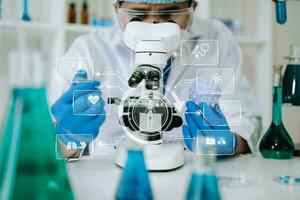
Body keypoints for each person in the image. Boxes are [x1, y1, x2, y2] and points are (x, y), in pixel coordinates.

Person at [49, 0, 262, 158]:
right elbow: (52, 147)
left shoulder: (216, 37)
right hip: (111, 174)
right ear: (117, 11)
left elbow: (247, 123)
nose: (153, 25)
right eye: (138, 15)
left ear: (192, 10)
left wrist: (230, 142)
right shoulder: (88, 49)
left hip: (193, 171)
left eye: (170, 14)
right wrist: (68, 137)